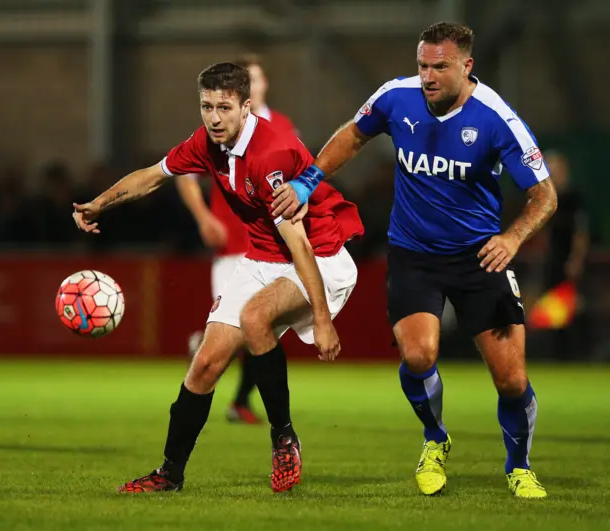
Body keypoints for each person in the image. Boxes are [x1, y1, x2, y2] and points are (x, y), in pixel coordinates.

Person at [270, 22, 557, 498]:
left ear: (466, 66)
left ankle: (519, 464)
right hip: (413, 253)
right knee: (419, 353)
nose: (427, 76)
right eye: (422, 65)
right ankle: (435, 438)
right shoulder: (395, 97)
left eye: (439, 67)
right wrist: (309, 180)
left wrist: (513, 237)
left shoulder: (496, 118)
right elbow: (353, 136)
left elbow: (544, 194)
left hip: (479, 256)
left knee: (511, 379)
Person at [72, 62, 364, 493]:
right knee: (205, 365)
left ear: (247, 107)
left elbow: (299, 243)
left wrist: (322, 318)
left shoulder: (271, 154)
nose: (213, 117)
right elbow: (153, 177)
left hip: (320, 257)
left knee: (253, 317)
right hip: (263, 256)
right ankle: (169, 474)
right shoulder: (206, 143)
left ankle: (283, 437)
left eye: (224, 107)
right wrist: (99, 204)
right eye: (206, 106)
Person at [175, 55, 298, 425]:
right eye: (252, 79)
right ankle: (234, 393)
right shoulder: (216, 130)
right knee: (244, 333)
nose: (257, 86)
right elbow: (182, 175)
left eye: (259, 80)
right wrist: (204, 217)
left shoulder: (281, 128)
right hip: (231, 247)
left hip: (273, 248)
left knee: (261, 331)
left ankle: (241, 400)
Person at [542, 150, 590, 359]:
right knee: (554, 312)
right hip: (552, 262)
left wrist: (576, 260)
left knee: (574, 310)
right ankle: (558, 355)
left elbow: (581, 233)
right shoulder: (546, 199)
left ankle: (580, 355)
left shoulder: (573, 199)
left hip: (569, 263)